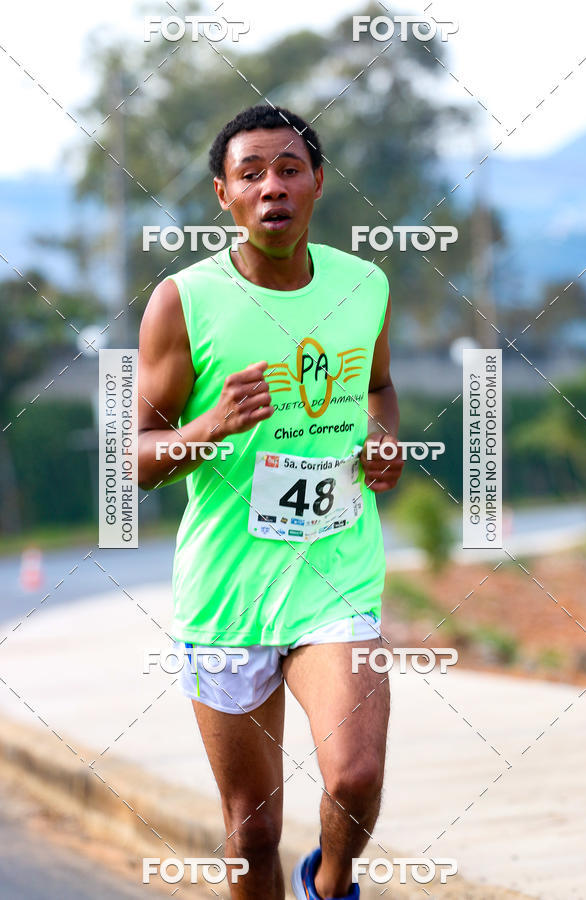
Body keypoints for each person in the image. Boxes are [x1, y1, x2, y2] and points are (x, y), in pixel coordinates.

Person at [137, 104, 404, 900]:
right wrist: (212, 425)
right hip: (226, 595)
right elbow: (137, 462)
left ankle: (331, 885)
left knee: (353, 777)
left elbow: (380, 388)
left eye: (289, 169)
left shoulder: (364, 285)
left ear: (318, 182)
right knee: (251, 829)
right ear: (224, 195)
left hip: (335, 576)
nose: (272, 188)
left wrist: (382, 437)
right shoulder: (183, 301)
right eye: (250, 174)